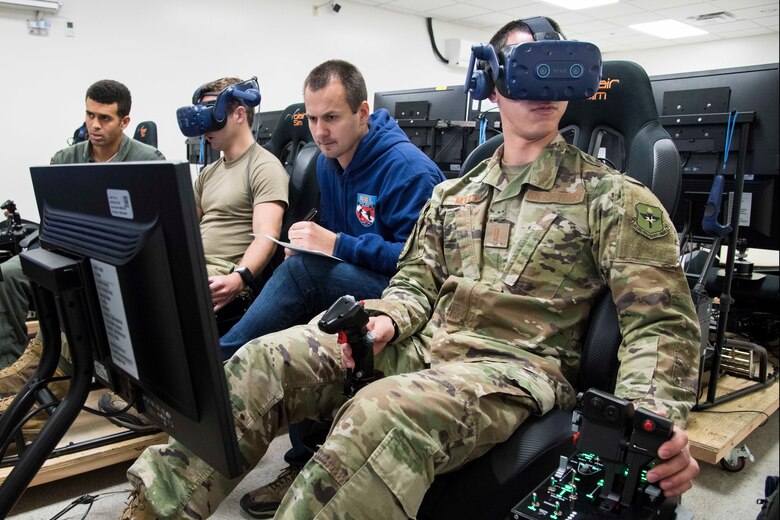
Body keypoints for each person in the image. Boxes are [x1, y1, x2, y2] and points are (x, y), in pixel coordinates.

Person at [121, 18, 701, 520]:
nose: (544, 91)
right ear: (494, 81)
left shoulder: (613, 198)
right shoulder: (455, 195)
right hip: (427, 347)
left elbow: (662, 327)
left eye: (558, 72)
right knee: (261, 361)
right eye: (527, 72)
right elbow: (414, 283)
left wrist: (647, 430)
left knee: (378, 415)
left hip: (517, 368)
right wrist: (385, 320)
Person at [218, 60, 444, 517]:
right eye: (313, 118)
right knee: (305, 285)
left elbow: (421, 262)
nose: (320, 132)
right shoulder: (328, 163)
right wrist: (313, 245)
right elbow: (343, 248)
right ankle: (302, 459)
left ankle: (219, 367)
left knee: (305, 278)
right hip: (360, 285)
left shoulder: (408, 170)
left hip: (407, 298)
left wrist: (333, 245)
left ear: (363, 112)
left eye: (332, 118)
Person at [97, 76, 289, 428]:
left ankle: (159, 405)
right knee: (108, 281)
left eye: (210, 115)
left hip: (222, 271)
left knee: (149, 298)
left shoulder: (264, 166)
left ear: (239, 114)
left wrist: (240, 277)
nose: (203, 128)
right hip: (192, 262)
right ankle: (123, 382)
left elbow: (267, 237)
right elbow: (181, 225)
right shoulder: (210, 172)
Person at [0, 79, 165, 405]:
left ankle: (60, 369)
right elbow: (53, 218)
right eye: (90, 115)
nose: (94, 125)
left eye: (104, 118)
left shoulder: (148, 161)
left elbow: (153, 233)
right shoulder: (66, 158)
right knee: (8, 274)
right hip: (67, 250)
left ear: (124, 121)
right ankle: (13, 366)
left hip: (116, 261)